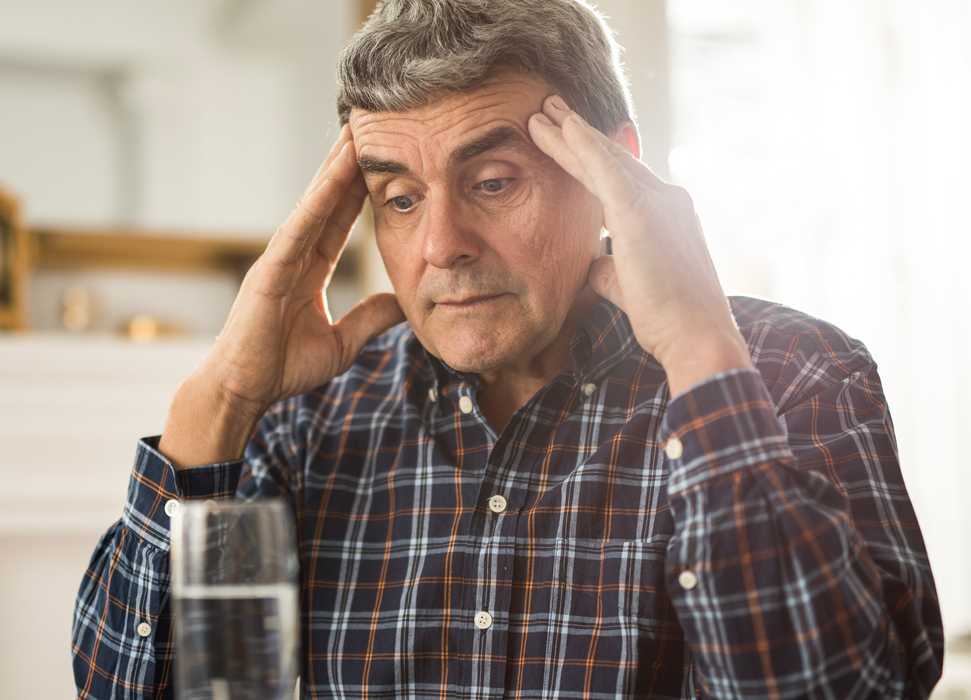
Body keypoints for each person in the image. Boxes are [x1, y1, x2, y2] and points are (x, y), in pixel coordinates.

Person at [72, 0, 943, 697]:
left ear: (616, 172)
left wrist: (697, 353)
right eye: (400, 199)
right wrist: (219, 401)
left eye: (492, 182)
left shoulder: (792, 376)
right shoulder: (307, 424)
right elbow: (147, 687)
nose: (441, 243)